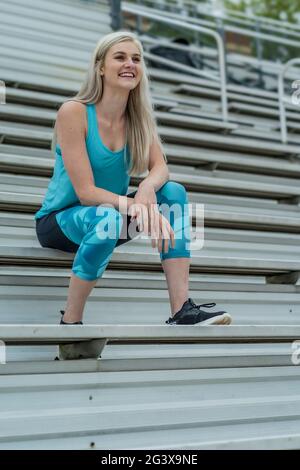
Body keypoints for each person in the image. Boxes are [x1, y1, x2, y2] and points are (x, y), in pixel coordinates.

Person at [34, 31, 232, 327]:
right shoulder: (73, 112)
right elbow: (86, 193)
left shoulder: (138, 118)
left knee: (173, 193)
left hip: (109, 215)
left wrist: (146, 189)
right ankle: (71, 323)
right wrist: (133, 204)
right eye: (120, 57)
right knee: (108, 220)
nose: (130, 64)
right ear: (100, 66)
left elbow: (160, 167)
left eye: (136, 59)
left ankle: (182, 309)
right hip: (61, 222)